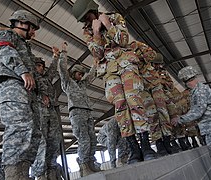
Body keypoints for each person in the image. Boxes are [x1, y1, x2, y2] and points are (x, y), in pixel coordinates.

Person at [72, 0, 156, 165]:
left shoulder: (115, 17)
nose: (85, 21)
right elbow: (97, 53)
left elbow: (123, 40)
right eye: (82, 19)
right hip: (109, 71)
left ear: (92, 9)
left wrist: (108, 25)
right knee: (120, 106)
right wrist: (96, 32)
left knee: (134, 101)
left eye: (86, 17)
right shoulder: (88, 31)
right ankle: (134, 149)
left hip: (126, 64)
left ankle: (146, 147)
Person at [0, 10, 42, 179]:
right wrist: (23, 71)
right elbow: (5, 52)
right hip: (10, 82)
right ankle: (12, 174)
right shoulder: (4, 33)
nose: (34, 33)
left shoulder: (25, 46)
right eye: (32, 28)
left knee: (34, 132)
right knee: (19, 126)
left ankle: (20, 172)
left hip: (27, 88)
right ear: (21, 22)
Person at [58, 42, 100, 177]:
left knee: (93, 139)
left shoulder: (82, 84)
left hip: (87, 112)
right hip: (76, 112)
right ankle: (83, 164)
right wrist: (63, 53)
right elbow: (62, 70)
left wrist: (95, 64)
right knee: (84, 139)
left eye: (82, 74)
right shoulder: (67, 82)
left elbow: (91, 75)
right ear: (73, 73)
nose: (81, 76)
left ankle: (91, 162)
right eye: (78, 74)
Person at [31, 53, 61, 179]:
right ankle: (40, 174)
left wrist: (56, 56)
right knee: (41, 143)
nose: (41, 68)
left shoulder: (47, 78)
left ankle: (51, 170)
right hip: (39, 111)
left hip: (51, 111)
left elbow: (53, 69)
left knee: (54, 140)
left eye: (42, 66)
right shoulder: (31, 77)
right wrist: (40, 96)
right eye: (38, 66)